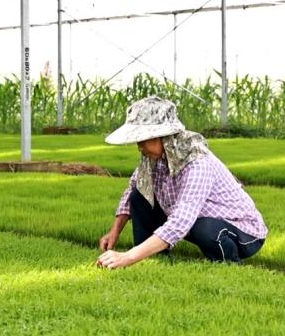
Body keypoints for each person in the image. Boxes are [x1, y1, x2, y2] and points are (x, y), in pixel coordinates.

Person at [96, 97, 267, 269]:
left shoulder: (197, 163)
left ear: (162, 137)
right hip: (197, 220)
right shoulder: (153, 159)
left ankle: (229, 264)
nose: (139, 147)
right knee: (139, 194)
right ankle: (154, 257)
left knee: (204, 228)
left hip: (242, 231)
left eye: (143, 140)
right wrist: (114, 233)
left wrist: (127, 257)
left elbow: (181, 220)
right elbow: (132, 188)